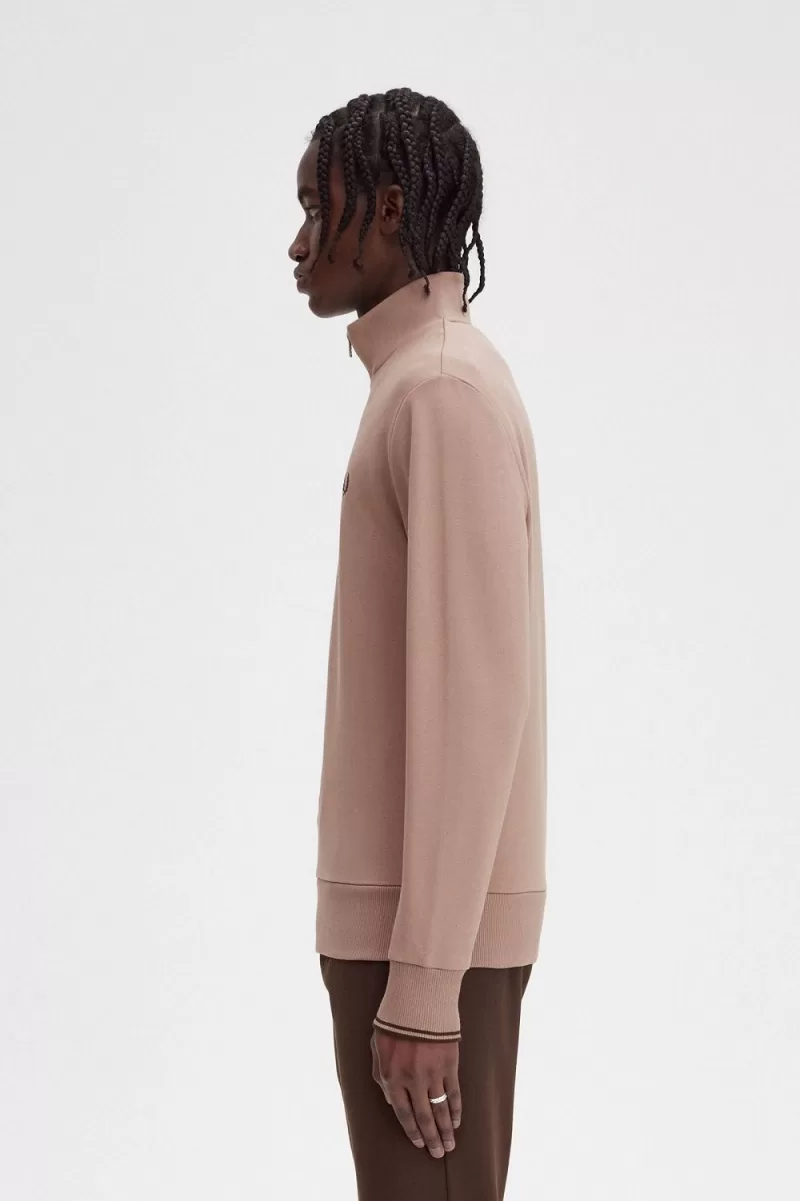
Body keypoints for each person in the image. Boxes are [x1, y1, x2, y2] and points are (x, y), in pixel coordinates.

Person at [288, 88, 548, 1201]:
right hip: (404, 929)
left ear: (390, 208)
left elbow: (476, 702)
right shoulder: (419, 381)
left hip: (422, 942)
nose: (297, 242)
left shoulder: (440, 390)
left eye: (318, 207)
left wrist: (427, 984)